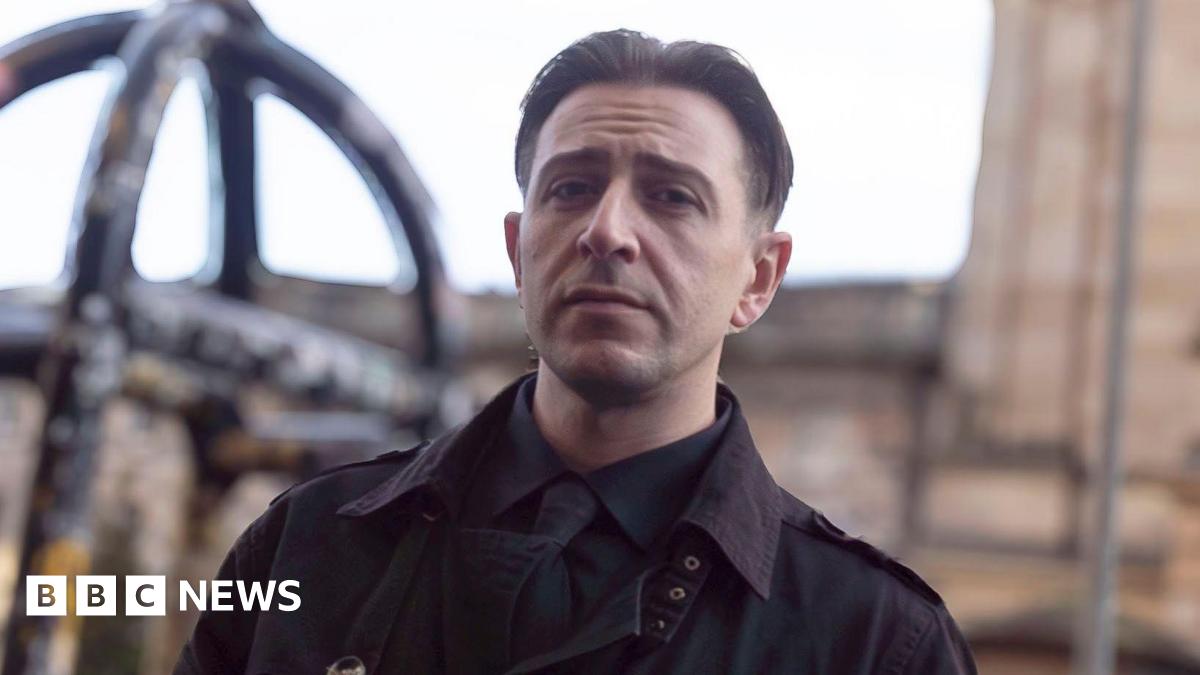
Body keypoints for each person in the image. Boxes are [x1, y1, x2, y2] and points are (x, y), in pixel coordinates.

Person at [174, 29, 977, 674]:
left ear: (758, 278)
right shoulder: (306, 548)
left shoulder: (873, 642)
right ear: (520, 251)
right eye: (571, 187)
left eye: (671, 196)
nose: (606, 231)